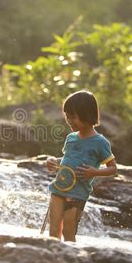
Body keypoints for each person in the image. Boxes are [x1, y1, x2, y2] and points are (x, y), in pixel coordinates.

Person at [46, 90, 117, 241]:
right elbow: (67, 159)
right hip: (58, 189)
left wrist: (94, 172)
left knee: (68, 231)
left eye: (73, 117)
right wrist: (53, 161)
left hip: (77, 194)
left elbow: (113, 168)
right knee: (53, 230)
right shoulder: (71, 138)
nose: (69, 121)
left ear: (87, 115)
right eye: (67, 117)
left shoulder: (100, 142)